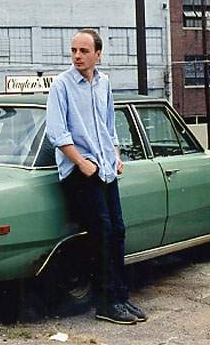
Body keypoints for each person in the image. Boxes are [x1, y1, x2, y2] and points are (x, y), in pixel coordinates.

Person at [46, 29, 146, 325]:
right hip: (80, 172)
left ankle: (121, 297)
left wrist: (115, 155)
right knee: (101, 233)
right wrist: (81, 162)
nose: (77, 56)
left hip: (105, 168)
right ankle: (106, 303)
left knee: (118, 231)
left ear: (98, 54)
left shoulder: (104, 83)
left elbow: (109, 126)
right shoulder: (61, 85)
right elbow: (57, 132)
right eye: (74, 50)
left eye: (84, 51)